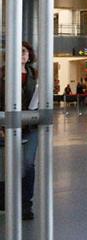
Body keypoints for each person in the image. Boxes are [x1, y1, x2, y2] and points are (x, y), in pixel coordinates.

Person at [0, 42, 39, 220]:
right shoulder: (2, 73)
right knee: (3, 164)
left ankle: (25, 203)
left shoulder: (36, 75)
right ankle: (4, 201)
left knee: (28, 164)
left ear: (29, 55)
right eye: (18, 51)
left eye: (24, 51)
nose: (22, 54)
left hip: (30, 127)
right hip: (5, 126)